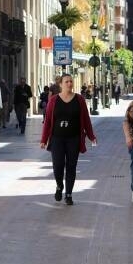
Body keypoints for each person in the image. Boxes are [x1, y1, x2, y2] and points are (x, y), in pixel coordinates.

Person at [40, 73, 97, 205]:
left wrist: (91, 136)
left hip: (74, 139)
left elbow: (86, 119)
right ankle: (59, 185)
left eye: (71, 81)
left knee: (71, 166)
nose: (69, 84)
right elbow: (48, 121)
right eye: (66, 81)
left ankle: (69, 194)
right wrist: (43, 139)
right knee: (58, 165)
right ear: (61, 84)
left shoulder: (79, 99)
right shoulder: (53, 100)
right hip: (57, 139)